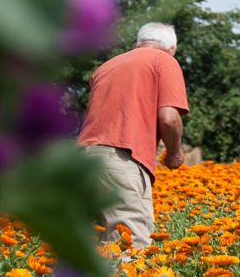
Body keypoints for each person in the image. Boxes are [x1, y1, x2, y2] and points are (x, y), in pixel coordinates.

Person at [77, 22, 189, 249]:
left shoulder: (104, 68)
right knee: (133, 250)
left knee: (90, 253)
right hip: (120, 160)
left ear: (136, 44)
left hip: (82, 161)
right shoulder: (164, 60)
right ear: (172, 49)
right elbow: (169, 118)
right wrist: (174, 152)